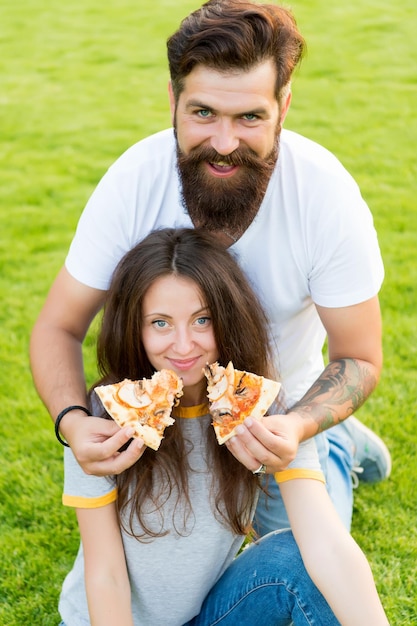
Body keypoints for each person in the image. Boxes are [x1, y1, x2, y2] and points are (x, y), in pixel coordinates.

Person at [30, 0, 391, 537]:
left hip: (275, 415)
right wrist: (72, 421)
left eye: (250, 117)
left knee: (300, 557)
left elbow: (358, 356)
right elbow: (58, 326)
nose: (224, 145)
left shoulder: (325, 195)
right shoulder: (133, 180)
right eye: (203, 113)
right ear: (173, 100)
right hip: (160, 423)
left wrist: (297, 423)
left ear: (284, 107)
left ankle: (336, 439)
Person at [58, 227, 388, 625]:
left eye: (202, 320)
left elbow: (329, 547)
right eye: (160, 323)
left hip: (209, 616)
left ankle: (338, 443)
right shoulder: (100, 422)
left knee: (296, 556)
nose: (183, 346)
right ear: (135, 328)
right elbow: (105, 575)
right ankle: (343, 441)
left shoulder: (263, 408)